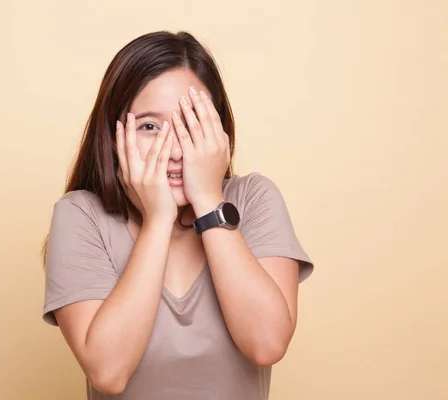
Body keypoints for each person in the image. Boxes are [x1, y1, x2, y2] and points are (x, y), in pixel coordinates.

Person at [42, 30, 314, 400]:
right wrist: (157, 220)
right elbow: (108, 371)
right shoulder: (80, 216)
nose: (172, 151)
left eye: (190, 125)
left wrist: (208, 199)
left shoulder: (253, 199)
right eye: (149, 127)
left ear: (218, 131)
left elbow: (266, 344)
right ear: (112, 136)